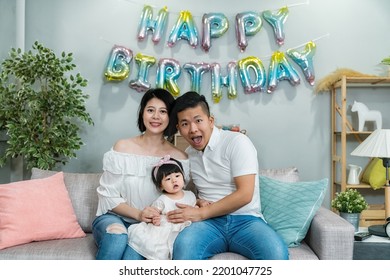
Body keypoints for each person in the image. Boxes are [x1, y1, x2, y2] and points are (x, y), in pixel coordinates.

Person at [167, 91, 289, 260]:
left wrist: (202, 213)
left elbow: (245, 194)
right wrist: (197, 201)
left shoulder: (237, 142)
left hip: (246, 220)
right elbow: (179, 190)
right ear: (178, 128)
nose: (193, 129)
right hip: (208, 225)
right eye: (185, 124)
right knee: (184, 247)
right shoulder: (188, 155)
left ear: (211, 121)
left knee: (276, 253)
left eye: (198, 120)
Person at [91, 88, 189, 260]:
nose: (156, 117)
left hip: (150, 229)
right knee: (117, 238)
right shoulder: (122, 148)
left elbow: (181, 196)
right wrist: (138, 214)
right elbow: (107, 196)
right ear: (142, 113)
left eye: (163, 111)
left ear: (170, 117)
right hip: (116, 218)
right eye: (150, 110)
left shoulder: (179, 158)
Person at [127, 155, 196, 260]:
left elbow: (195, 208)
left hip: (183, 230)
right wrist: (155, 219)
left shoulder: (190, 195)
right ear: (161, 186)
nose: (174, 181)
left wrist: (199, 205)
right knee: (157, 252)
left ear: (183, 177)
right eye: (168, 179)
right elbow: (153, 214)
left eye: (177, 176)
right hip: (163, 231)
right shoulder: (162, 200)